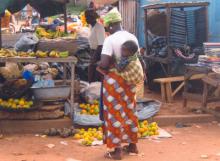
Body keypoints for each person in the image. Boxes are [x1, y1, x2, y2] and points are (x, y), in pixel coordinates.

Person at [98, 8, 146, 160]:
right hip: (130, 81)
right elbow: (137, 58)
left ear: (111, 25)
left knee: (114, 113)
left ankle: (117, 151)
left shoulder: (109, 39)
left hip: (115, 81)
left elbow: (104, 64)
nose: (107, 30)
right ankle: (132, 145)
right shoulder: (132, 37)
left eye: (107, 27)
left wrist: (98, 64)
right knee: (130, 111)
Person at [85, 9, 105, 83]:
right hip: (93, 52)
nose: (86, 19)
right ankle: (92, 88)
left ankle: (95, 90)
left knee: (95, 73)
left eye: (88, 17)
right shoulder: (91, 27)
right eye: (86, 17)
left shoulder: (99, 27)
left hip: (98, 53)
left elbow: (101, 45)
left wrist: (94, 59)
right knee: (91, 73)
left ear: (92, 18)